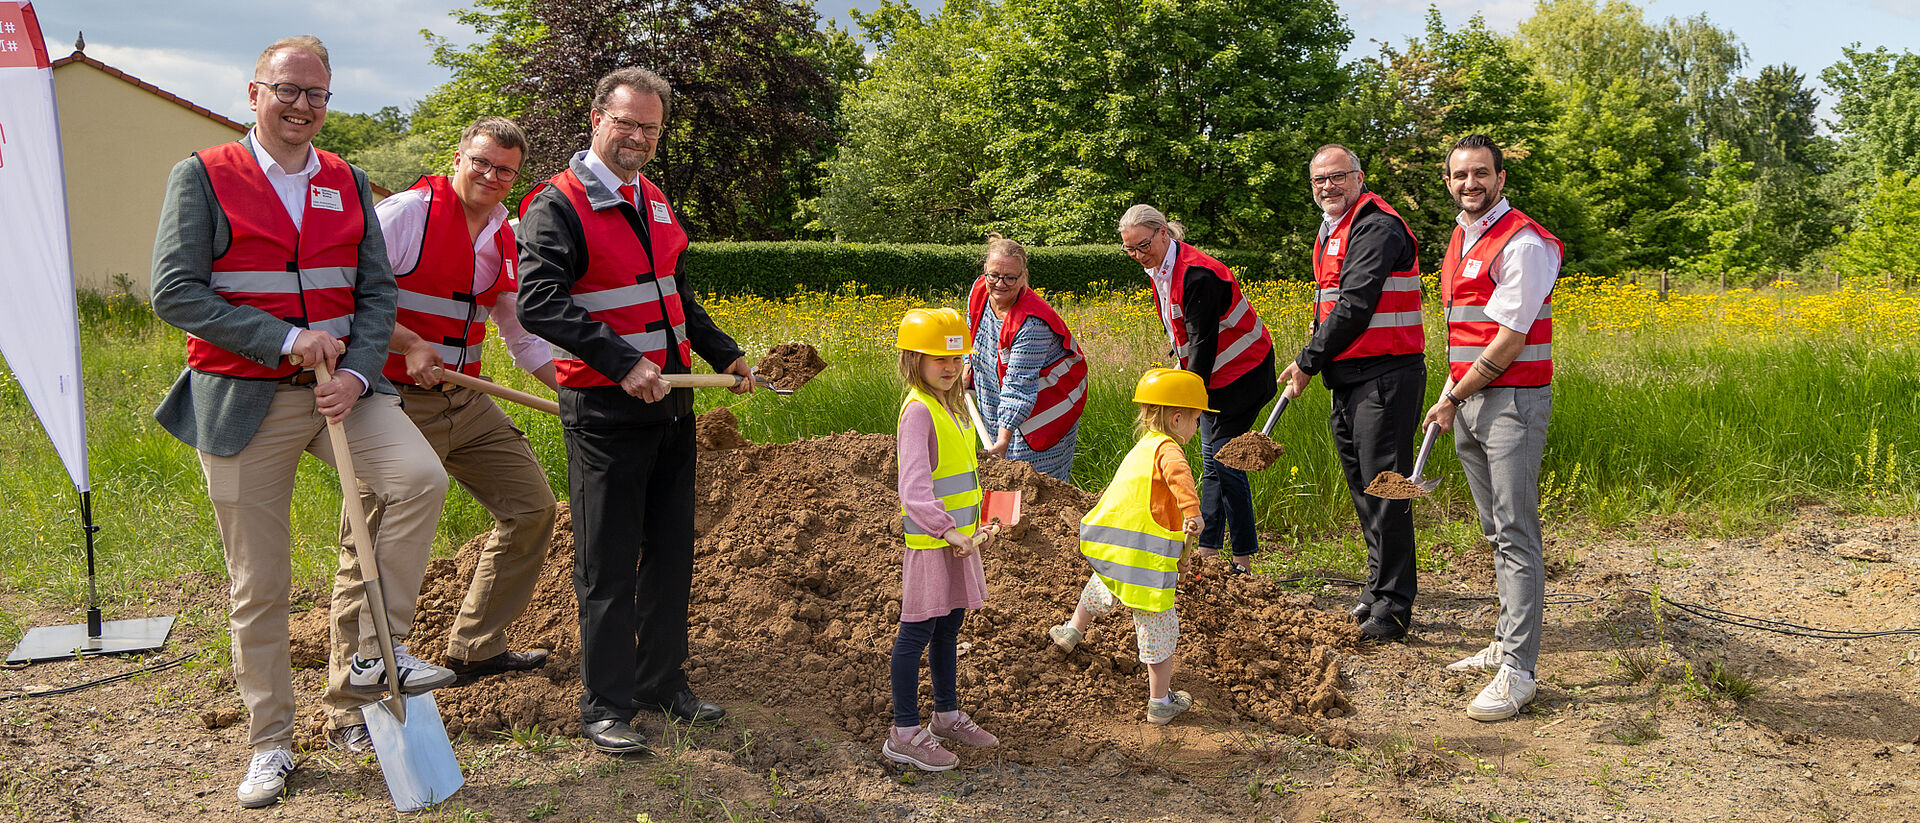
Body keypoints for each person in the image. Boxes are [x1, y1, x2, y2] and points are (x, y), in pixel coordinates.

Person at [148, 35, 451, 808]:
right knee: (262, 582)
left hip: (340, 394)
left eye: (316, 94)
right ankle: (270, 744)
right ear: (254, 94)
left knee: (418, 478)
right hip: (244, 395)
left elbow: (377, 293)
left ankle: (376, 656)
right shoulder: (204, 176)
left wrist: (355, 370)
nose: (302, 106)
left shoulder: (347, 179)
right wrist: (285, 339)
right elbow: (176, 291)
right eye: (287, 90)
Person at [516, 66, 753, 755]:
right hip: (604, 409)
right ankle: (605, 705)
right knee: (608, 562)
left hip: (673, 404)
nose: (639, 138)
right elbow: (540, 302)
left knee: (672, 552)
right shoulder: (554, 204)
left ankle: (660, 682)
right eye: (627, 123)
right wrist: (623, 362)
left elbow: (675, 296)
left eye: (651, 128)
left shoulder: (653, 200)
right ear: (597, 120)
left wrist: (724, 354)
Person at [315, 116, 561, 753]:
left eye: (504, 169)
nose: (490, 176)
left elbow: (518, 330)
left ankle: (478, 646)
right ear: (459, 156)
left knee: (531, 506)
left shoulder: (504, 232)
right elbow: (350, 298)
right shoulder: (407, 214)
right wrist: (410, 342)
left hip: (466, 398)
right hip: (390, 398)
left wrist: (568, 388)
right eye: (480, 162)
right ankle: (350, 706)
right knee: (365, 544)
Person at [1421, 134, 1564, 721]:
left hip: (1511, 401)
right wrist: (1453, 396)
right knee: (1494, 531)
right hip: (1472, 398)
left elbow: (1508, 339)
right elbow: (1470, 332)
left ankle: (1520, 672)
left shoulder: (1524, 243)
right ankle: (1504, 643)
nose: (1470, 184)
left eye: (1481, 174)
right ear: (1448, 180)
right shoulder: (1463, 235)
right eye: (1460, 175)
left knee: (1516, 532)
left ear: (1501, 178)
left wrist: (1455, 392)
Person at [1277, 145, 1427, 641]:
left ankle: (1393, 608)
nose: (1328, 187)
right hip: (1353, 377)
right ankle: (1375, 590)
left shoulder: (1376, 226)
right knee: (1366, 490)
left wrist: (1306, 359)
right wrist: (1317, 365)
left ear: (1359, 177)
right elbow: (1333, 308)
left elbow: (1357, 303)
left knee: (1386, 491)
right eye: (1319, 180)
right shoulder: (1334, 229)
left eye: (1338, 177)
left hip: (1386, 375)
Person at [1117, 205, 1275, 575]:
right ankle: (1208, 551)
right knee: (1214, 462)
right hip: (1217, 375)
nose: (1139, 256)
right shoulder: (1162, 268)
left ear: (1162, 234)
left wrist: (1187, 401)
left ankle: (1242, 559)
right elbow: (1184, 334)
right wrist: (1181, 370)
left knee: (1224, 460)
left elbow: (1204, 344)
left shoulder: (1198, 274)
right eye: (1130, 250)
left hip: (1243, 374)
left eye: (1143, 246)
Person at [1049, 368, 1206, 725]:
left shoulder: (1142, 447)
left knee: (1101, 584)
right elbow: (1180, 479)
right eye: (1196, 419)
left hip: (1116, 550)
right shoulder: (1169, 450)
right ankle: (1160, 702)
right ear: (1177, 417)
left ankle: (1072, 631)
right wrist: (1193, 513)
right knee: (1157, 626)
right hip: (1146, 561)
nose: (1198, 428)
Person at [884, 308, 1001, 771]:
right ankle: (904, 732)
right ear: (915, 359)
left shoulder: (953, 405)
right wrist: (948, 530)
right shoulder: (918, 411)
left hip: (959, 541)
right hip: (934, 545)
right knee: (916, 633)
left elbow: (959, 476)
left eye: (957, 358)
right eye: (938, 359)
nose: (950, 367)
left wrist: (977, 526)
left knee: (950, 626)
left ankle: (946, 715)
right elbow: (913, 489)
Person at [965, 233, 1088, 482]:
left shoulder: (1031, 323)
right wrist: (967, 367)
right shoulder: (980, 289)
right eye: (994, 275)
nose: (1000, 284)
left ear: (1024, 277)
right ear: (985, 271)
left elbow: (1018, 387)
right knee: (1004, 475)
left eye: (1010, 277)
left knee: (1036, 483)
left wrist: (1003, 439)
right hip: (997, 398)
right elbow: (971, 329)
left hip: (1046, 412)